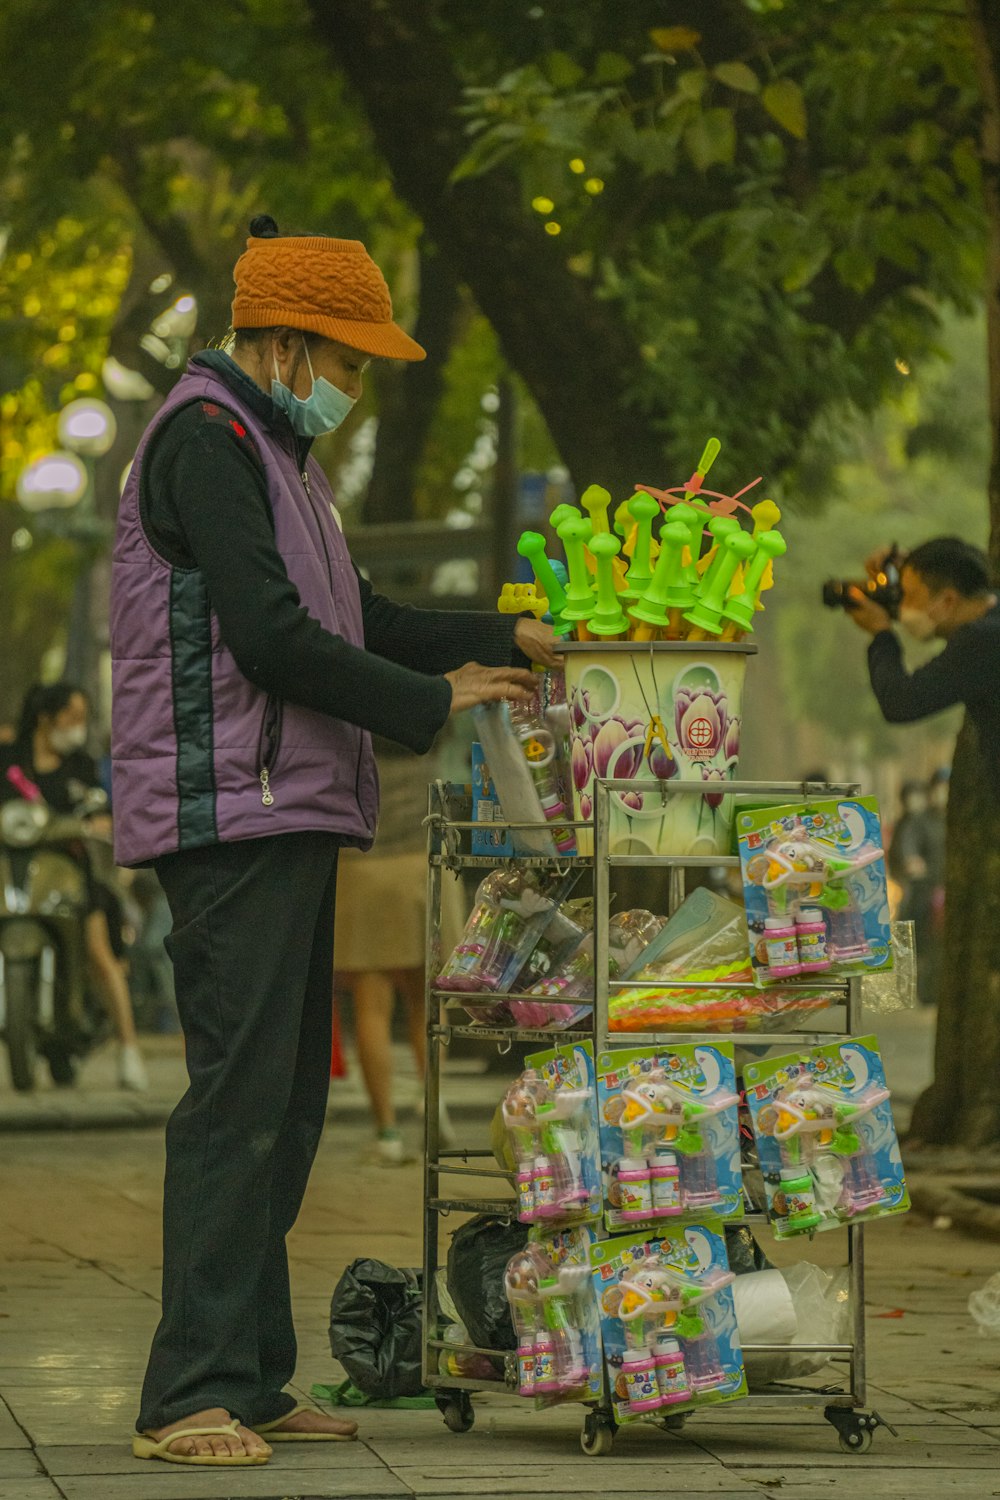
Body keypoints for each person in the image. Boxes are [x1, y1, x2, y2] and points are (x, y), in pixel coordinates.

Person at [111, 215, 558, 1468]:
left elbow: (355, 613)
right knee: (235, 1104)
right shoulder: (205, 442)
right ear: (288, 341)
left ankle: (250, 1379)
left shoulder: (275, 454)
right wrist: (433, 704)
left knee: (287, 1104)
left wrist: (501, 634)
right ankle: (184, 1393)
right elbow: (268, 638)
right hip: (225, 807)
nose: (356, 388)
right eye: (351, 363)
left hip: (285, 801)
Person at [0, 683, 147, 1090]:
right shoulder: (10, 759)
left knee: (99, 950)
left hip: (70, 874)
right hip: (13, 870)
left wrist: (99, 819)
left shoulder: (81, 765)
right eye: (72, 716)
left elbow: (100, 808)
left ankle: (129, 1048)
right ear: (48, 716)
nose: (78, 726)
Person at [848, 537, 999, 774]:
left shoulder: (981, 640)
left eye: (909, 595)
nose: (901, 607)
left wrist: (880, 632)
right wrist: (915, 565)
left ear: (948, 600)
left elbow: (901, 701)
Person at [887, 780, 942, 1006]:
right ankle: (920, 988)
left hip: (940, 890)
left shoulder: (945, 819)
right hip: (922, 891)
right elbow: (904, 856)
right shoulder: (913, 823)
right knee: (919, 939)